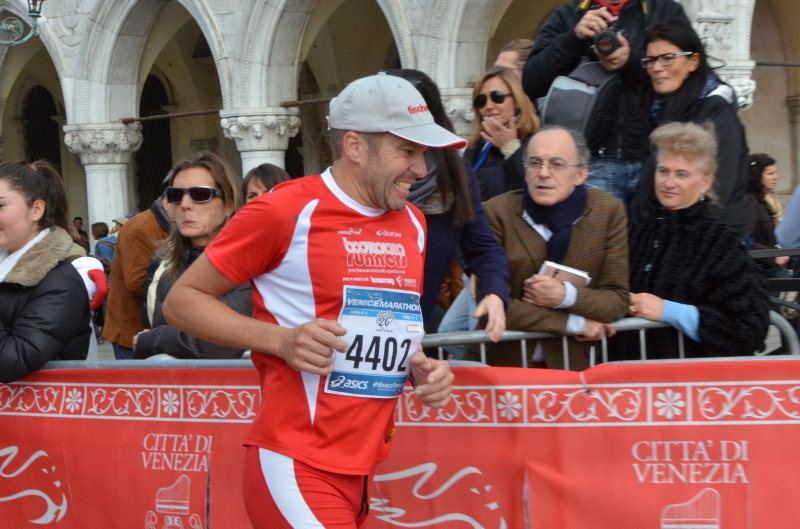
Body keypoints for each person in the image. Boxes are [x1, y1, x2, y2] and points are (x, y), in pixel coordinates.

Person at [162, 74, 456, 528]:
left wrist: (421, 370)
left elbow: (387, 329)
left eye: (423, 154)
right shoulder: (284, 211)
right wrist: (280, 340)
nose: (420, 169)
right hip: (295, 463)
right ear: (355, 146)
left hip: (362, 469)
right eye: (408, 151)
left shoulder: (413, 223)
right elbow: (183, 301)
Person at [464, 125, 629, 370]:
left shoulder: (607, 212)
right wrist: (575, 324)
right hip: (503, 368)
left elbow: (616, 300)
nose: (543, 173)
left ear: (581, 174)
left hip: (575, 368)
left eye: (557, 164)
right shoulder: (495, 213)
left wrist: (565, 295)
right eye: (534, 163)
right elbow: (493, 305)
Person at [612, 122, 770, 360]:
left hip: (691, 387)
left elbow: (748, 327)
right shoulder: (638, 234)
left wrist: (670, 311)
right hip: (629, 385)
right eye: (663, 171)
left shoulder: (721, 243)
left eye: (682, 174)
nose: (668, 182)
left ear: (706, 182)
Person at [381, 68, 509, 358]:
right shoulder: (357, 177)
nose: (416, 167)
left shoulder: (454, 174)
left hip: (412, 333)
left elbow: (484, 249)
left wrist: (494, 292)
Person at [523, 0, 688, 205]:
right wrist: (573, 39)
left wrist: (632, 60)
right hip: (590, 163)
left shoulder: (663, 11)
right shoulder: (570, 15)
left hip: (656, 160)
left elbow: (688, 72)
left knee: (651, 236)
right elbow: (531, 82)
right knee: (596, 236)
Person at [631, 17, 749, 235]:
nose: (656, 68)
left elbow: (720, 188)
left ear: (693, 62)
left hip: (707, 242)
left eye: (667, 58)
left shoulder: (716, 111)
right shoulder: (659, 110)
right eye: (650, 60)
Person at [134, 151, 250, 360]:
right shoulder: (162, 264)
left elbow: (215, 342)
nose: (185, 205)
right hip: (173, 388)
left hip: (235, 388)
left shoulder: (251, 265)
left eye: (200, 194)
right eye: (176, 195)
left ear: (229, 205)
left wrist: (149, 340)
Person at [0, 161, 91, 383]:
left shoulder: (60, 284)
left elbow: (13, 361)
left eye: (0, 205)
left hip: (36, 414)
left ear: (36, 210)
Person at [103, 192, 171, 359]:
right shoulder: (141, 228)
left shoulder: (165, 225)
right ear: (168, 201)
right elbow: (137, 283)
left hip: (154, 333)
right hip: (133, 334)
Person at [465, 67, 539, 203]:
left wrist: (510, 147)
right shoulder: (476, 146)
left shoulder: (538, 141)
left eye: (497, 97)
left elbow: (536, 191)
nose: (489, 106)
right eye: (481, 101)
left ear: (516, 101)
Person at [745, 153, 789, 274]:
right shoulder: (750, 202)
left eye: (776, 173)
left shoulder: (767, 201)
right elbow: (746, 239)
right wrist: (772, 257)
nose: (776, 177)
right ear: (757, 176)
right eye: (770, 174)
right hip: (763, 269)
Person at [69, 255, 109, 361]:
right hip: (82, 307)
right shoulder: (96, 270)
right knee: (88, 342)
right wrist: (92, 306)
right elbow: (103, 290)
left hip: (67, 307)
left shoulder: (73, 272)